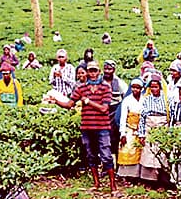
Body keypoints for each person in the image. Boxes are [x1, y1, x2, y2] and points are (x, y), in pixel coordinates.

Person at [60, 61, 114, 190]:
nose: (93, 73)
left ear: (99, 72)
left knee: (106, 155)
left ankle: (113, 185)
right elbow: (69, 104)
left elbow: (104, 109)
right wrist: (55, 100)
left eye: (95, 71)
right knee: (91, 156)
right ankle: (96, 183)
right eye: (90, 71)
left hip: (102, 127)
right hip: (87, 127)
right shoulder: (81, 88)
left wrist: (88, 102)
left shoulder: (105, 87)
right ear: (87, 73)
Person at [136, 76, 169, 182]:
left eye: (156, 87)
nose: (154, 89)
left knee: (162, 154)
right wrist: (141, 134)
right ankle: (149, 180)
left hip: (162, 128)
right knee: (148, 154)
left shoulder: (166, 98)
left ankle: (162, 181)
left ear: (160, 87)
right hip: (149, 127)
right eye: (152, 87)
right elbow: (142, 117)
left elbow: (170, 115)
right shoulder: (147, 99)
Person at [116, 78, 144, 180]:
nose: (135, 90)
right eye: (133, 87)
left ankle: (138, 175)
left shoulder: (145, 99)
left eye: (137, 88)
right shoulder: (127, 100)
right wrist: (122, 133)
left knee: (140, 152)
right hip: (129, 128)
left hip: (141, 129)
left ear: (141, 89)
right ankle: (127, 175)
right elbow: (123, 117)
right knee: (128, 150)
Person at [102, 60, 126, 157]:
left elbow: (125, 96)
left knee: (113, 136)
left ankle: (114, 157)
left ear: (114, 70)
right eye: (105, 69)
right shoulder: (99, 81)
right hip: (102, 110)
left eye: (110, 69)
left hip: (114, 110)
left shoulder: (119, 83)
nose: (107, 71)